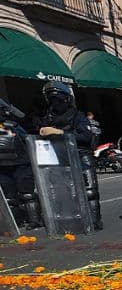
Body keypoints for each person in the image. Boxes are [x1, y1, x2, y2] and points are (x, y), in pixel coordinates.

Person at [31, 82, 102, 229]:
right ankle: (66, 220)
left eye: (58, 99)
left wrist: (61, 133)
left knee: (90, 192)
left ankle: (95, 221)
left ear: (67, 99)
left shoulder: (77, 115)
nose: (55, 103)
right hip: (58, 158)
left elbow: (86, 136)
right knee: (60, 192)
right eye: (52, 100)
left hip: (80, 155)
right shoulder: (47, 117)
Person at [0, 99, 38, 228]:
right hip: (4, 167)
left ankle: (34, 220)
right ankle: (17, 223)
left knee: (27, 194)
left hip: (21, 164)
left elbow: (27, 135)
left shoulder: (13, 124)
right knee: (9, 198)